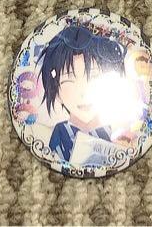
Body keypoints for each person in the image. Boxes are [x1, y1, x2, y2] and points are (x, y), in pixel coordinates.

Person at [39, 23, 126, 162]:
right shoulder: (59, 133)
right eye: (69, 81)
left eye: (94, 77)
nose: (83, 93)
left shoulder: (119, 131)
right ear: (56, 92)